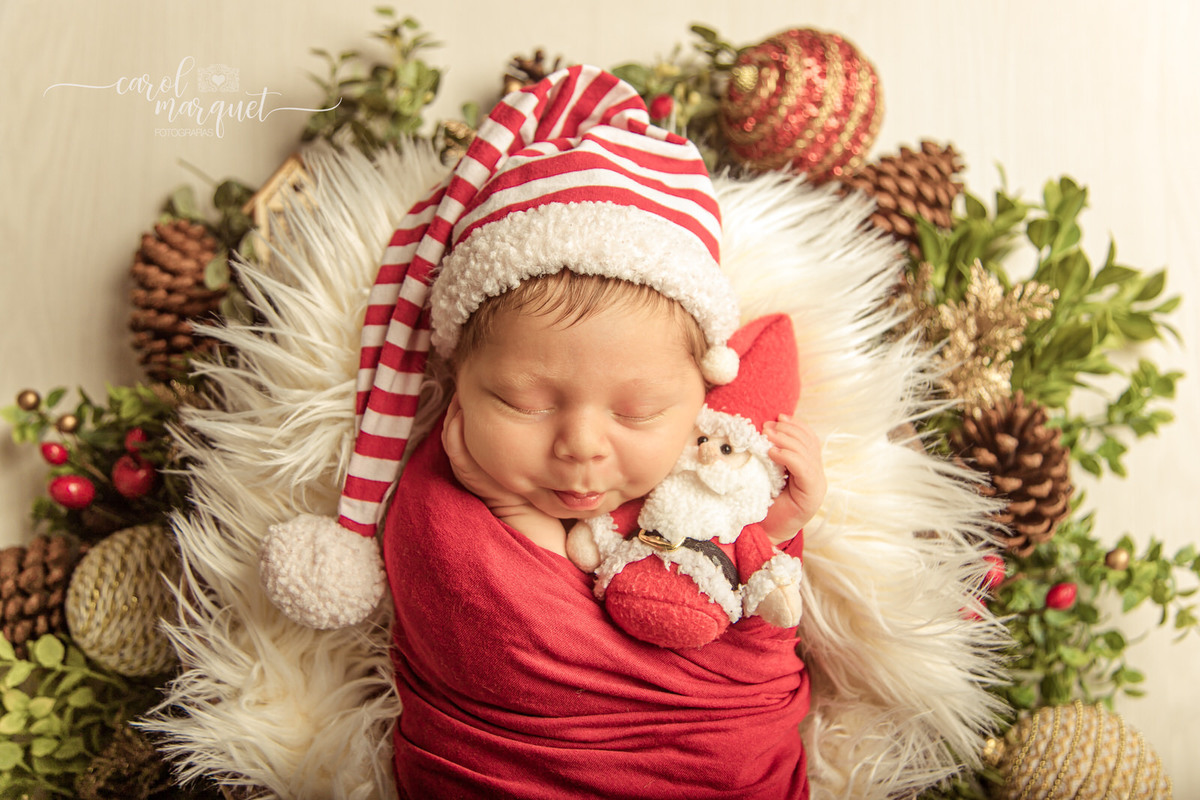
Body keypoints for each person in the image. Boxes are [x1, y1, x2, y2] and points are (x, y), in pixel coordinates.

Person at [267, 64, 826, 799]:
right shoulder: (440, 506)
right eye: (525, 403)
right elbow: (486, 624)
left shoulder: (712, 471)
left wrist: (785, 515)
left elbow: (749, 589)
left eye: (636, 413)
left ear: (706, 390)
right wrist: (508, 514)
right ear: (457, 384)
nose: (582, 446)